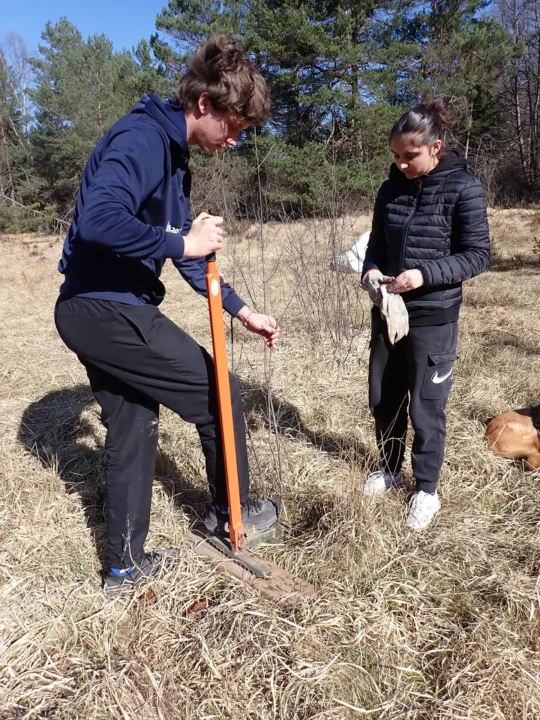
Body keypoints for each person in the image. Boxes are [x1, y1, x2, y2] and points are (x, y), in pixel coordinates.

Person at [54, 35, 280, 594]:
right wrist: (184, 242)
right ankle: (232, 514)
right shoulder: (143, 139)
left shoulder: (173, 158)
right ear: (204, 103)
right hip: (105, 306)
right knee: (219, 393)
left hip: (96, 309)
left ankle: (124, 569)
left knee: (134, 425)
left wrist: (241, 310)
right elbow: (99, 221)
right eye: (233, 126)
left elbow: (184, 254)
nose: (234, 140)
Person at [361, 99, 490, 531]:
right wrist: (371, 271)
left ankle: (427, 490)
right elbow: (375, 246)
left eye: (410, 155)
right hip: (389, 313)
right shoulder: (390, 190)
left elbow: (478, 255)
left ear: (435, 147)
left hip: (434, 316)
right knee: (384, 399)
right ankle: (389, 469)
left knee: (426, 408)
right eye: (395, 156)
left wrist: (424, 274)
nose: (401, 164)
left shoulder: (464, 188)